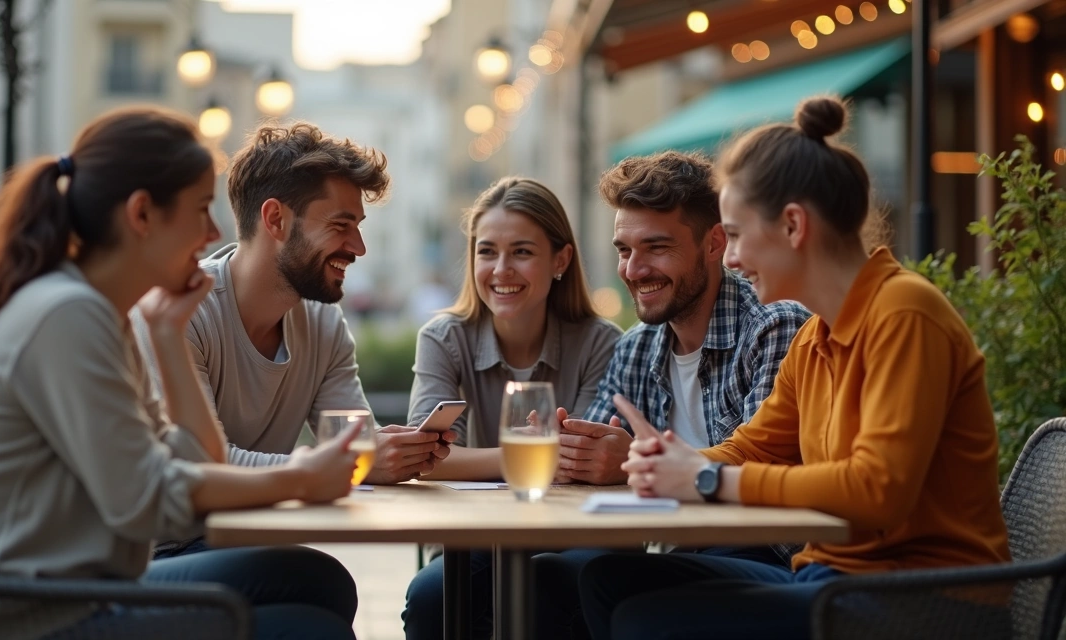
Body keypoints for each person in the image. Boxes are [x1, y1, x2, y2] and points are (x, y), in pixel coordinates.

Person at [578, 96, 1011, 640]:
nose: (729, 259)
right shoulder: (817, 334)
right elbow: (752, 447)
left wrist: (705, 478)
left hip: (926, 599)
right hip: (834, 578)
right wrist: (674, 462)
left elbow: (878, 490)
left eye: (734, 235)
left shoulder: (904, 313)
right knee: (610, 579)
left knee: (647, 618)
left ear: (792, 226)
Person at [0, 107, 361, 640]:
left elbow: (196, 460)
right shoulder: (66, 314)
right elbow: (146, 504)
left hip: (84, 590)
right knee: (305, 626)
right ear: (142, 215)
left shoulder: (106, 314)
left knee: (320, 580)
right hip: (29, 612)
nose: (214, 232)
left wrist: (167, 337)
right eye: (200, 209)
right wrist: (297, 479)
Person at [131, 122, 456, 558]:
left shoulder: (323, 321)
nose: (358, 247)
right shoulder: (179, 312)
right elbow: (202, 465)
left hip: (244, 540)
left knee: (325, 590)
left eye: (358, 226)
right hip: (158, 552)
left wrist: (392, 454)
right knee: (316, 578)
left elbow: (354, 443)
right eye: (341, 225)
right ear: (275, 219)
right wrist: (335, 467)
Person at [529, 151, 811, 638]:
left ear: (714, 243)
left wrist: (636, 466)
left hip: (766, 550)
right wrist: (573, 453)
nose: (634, 270)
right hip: (678, 549)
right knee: (542, 580)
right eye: (623, 250)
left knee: (611, 583)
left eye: (655, 248)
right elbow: (598, 460)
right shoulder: (637, 347)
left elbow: (765, 472)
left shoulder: (773, 326)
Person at [401, 177, 622, 640]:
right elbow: (423, 460)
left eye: (521, 251)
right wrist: (525, 458)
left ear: (560, 260)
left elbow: (579, 466)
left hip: (579, 536)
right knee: (429, 598)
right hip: (482, 533)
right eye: (487, 251)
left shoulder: (600, 342)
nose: (501, 269)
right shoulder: (444, 338)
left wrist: (471, 461)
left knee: (543, 589)